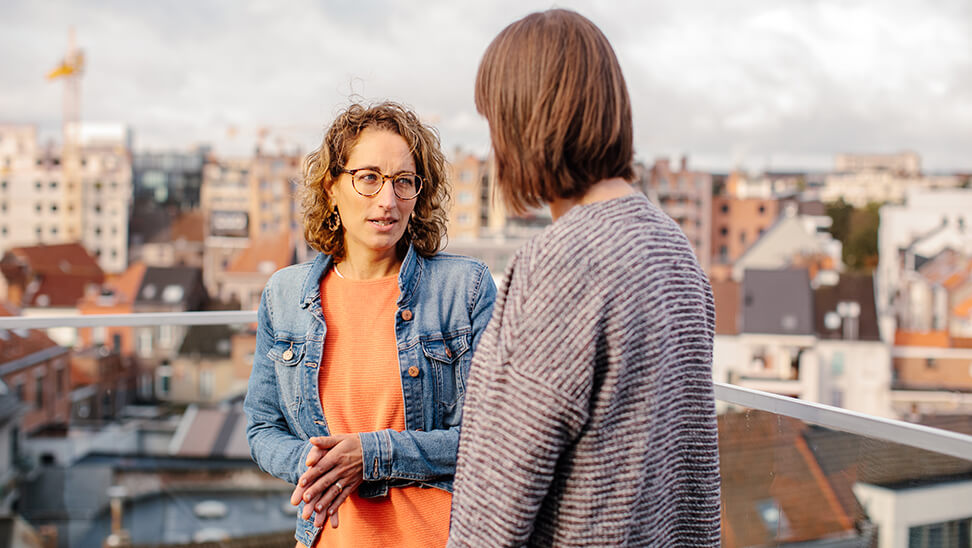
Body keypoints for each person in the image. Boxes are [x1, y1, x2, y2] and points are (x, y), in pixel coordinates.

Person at [448, 9, 721, 547]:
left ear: (527, 123)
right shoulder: (674, 248)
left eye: (496, 124)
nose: (493, 147)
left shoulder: (560, 264)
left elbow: (494, 503)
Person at [244, 101, 496, 548]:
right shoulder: (283, 297)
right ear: (332, 188)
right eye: (369, 178)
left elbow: (492, 437)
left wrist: (371, 455)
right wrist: (321, 463)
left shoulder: (465, 288)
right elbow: (262, 428)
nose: (388, 200)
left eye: (403, 181)